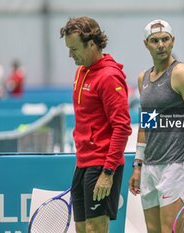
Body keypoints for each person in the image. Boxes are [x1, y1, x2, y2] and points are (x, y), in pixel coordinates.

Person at [128, 19, 184, 233]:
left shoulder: (182, 74)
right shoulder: (143, 79)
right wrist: (138, 165)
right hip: (150, 166)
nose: (161, 45)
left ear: (173, 41)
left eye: (165, 39)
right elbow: (145, 125)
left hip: (176, 165)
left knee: (171, 230)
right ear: (146, 44)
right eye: (155, 40)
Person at [60, 16, 132, 233]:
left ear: (92, 44)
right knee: (81, 228)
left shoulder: (109, 77)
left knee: (95, 229)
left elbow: (122, 127)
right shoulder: (81, 71)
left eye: (74, 49)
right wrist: (80, 160)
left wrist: (108, 172)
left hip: (102, 164)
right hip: (83, 162)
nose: (70, 54)